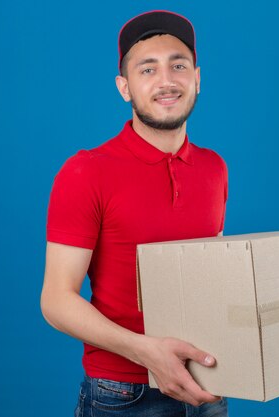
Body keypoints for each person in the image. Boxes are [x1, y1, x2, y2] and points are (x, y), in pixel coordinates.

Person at [41, 10, 229, 417]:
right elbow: (56, 299)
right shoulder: (86, 171)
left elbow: (210, 277)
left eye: (178, 65)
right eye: (148, 69)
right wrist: (149, 354)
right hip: (123, 395)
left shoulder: (215, 168)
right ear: (124, 88)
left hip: (208, 384)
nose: (166, 81)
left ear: (197, 77)